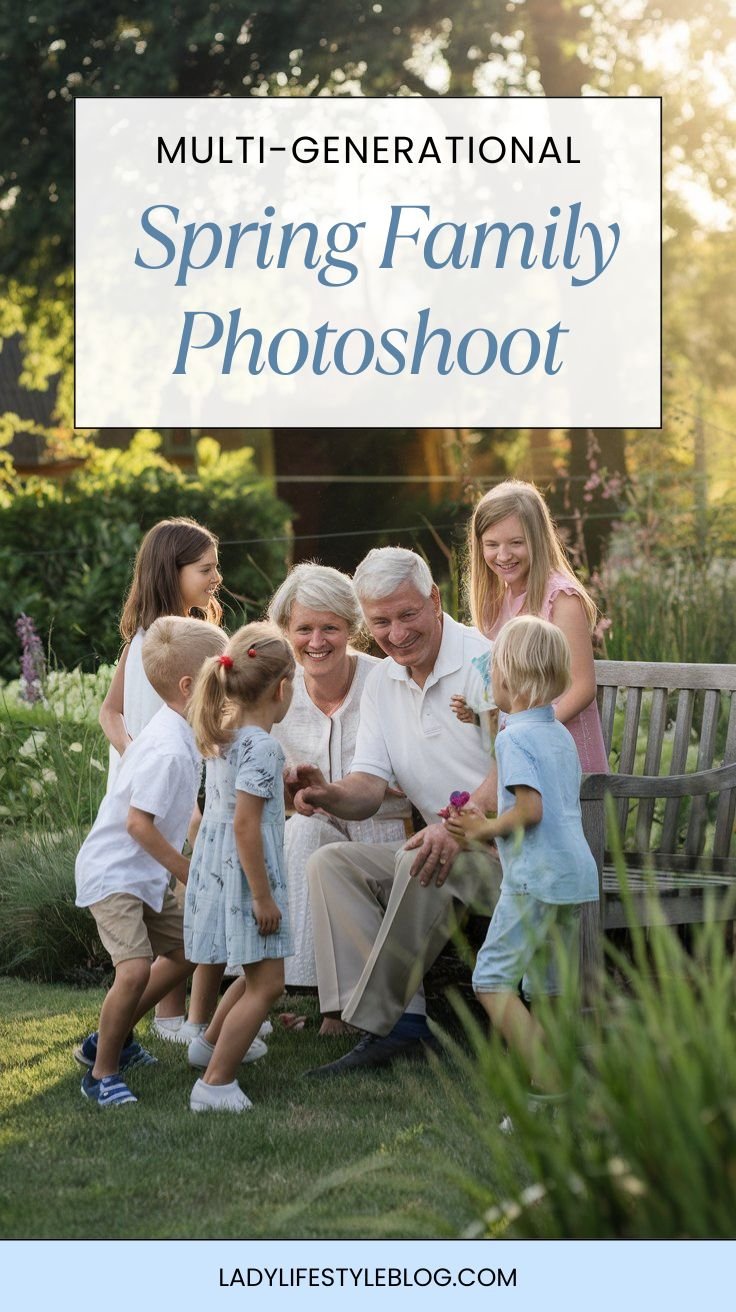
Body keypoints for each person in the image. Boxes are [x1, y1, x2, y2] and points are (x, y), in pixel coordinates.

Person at [293, 547, 501, 1075]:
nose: (396, 633)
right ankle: (405, 1021)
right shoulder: (384, 682)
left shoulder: (485, 660)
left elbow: (520, 766)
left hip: (509, 849)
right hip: (443, 851)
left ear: (434, 600)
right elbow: (368, 785)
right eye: (381, 621)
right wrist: (327, 793)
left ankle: (382, 1027)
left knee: (418, 857)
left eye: (407, 615)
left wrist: (458, 827)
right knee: (331, 862)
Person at [74, 616, 227, 1106]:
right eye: (221, 683)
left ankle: (109, 1037)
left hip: (141, 872)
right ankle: (101, 1073)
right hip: (114, 873)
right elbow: (139, 826)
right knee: (135, 970)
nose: (229, 694)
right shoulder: (166, 749)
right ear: (189, 687)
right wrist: (188, 871)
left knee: (187, 947)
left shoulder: (179, 732)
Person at [446, 616, 599, 1106]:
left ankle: (551, 1081)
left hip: (534, 879)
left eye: (493, 671)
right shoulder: (558, 733)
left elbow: (530, 811)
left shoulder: (513, 739)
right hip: (572, 874)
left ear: (508, 676)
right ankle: (557, 1089)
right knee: (549, 986)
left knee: (491, 980)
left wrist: (480, 830)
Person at [99, 515, 227, 1044]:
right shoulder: (154, 643)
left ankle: (176, 1018)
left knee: (170, 908)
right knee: (175, 898)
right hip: (157, 796)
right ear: (170, 572)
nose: (216, 577)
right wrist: (136, 759)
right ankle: (174, 1019)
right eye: (205, 569)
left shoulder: (183, 638)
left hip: (167, 786)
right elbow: (112, 712)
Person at [268, 563, 411, 1028]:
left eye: (330, 628)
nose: (316, 642)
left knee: (313, 845)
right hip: (307, 834)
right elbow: (256, 782)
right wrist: (292, 796)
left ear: (352, 628)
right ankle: (316, 1000)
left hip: (384, 833)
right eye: (304, 629)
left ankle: (322, 1006)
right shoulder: (278, 691)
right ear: (286, 631)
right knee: (304, 833)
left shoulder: (385, 680)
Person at [184, 623, 295, 1113]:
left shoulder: (227, 738)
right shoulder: (266, 748)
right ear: (281, 688)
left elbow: (230, 810)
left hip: (226, 872)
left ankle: (209, 1043)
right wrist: (262, 896)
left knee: (254, 978)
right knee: (268, 984)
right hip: (251, 878)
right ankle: (216, 1083)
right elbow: (246, 827)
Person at [453, 479, 608, 772]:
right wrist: (479, 711)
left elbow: (582, 687)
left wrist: (529, 731)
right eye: (491, 545)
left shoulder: (561, 599)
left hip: (564, 755)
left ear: (537, 540)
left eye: (516, 543)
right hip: (518, 756)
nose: (503, 555)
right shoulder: (496, 600)